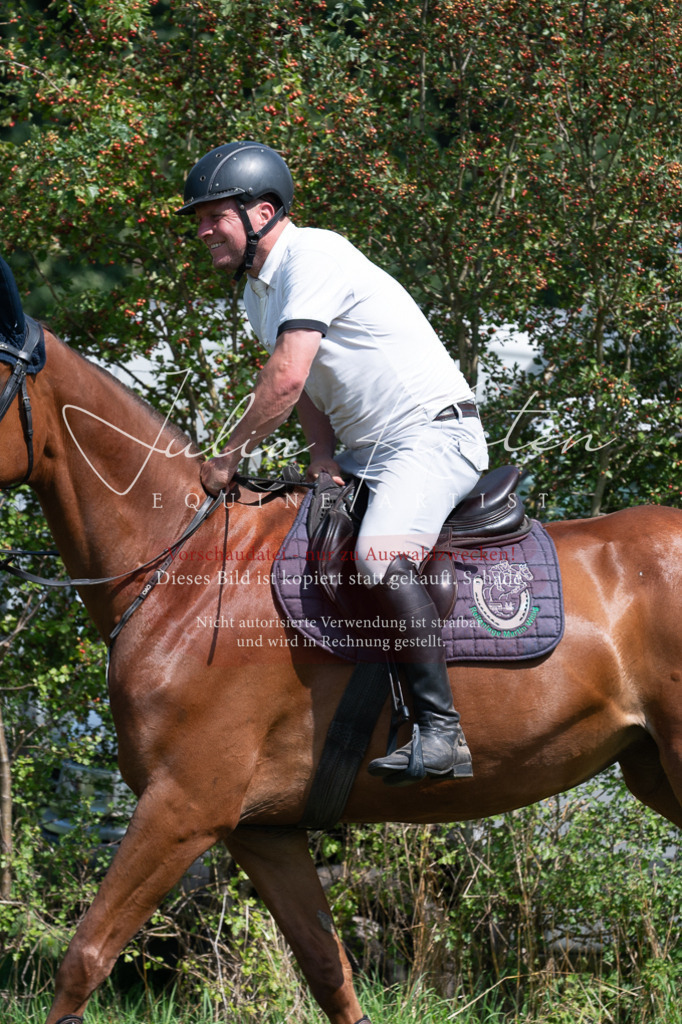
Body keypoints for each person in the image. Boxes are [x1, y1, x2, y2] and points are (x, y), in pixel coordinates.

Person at [177, 140, 488, 786]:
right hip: (366, 453)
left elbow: (286, 379)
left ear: (262, 211)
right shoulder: (256, 294)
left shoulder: (311, 254)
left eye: (214, 216)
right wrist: (321, 458)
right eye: (199, 219)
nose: (202, 230)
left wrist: (228, 456)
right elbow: (310, 384)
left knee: (380, 555)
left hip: (430, 438)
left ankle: (441, 731)